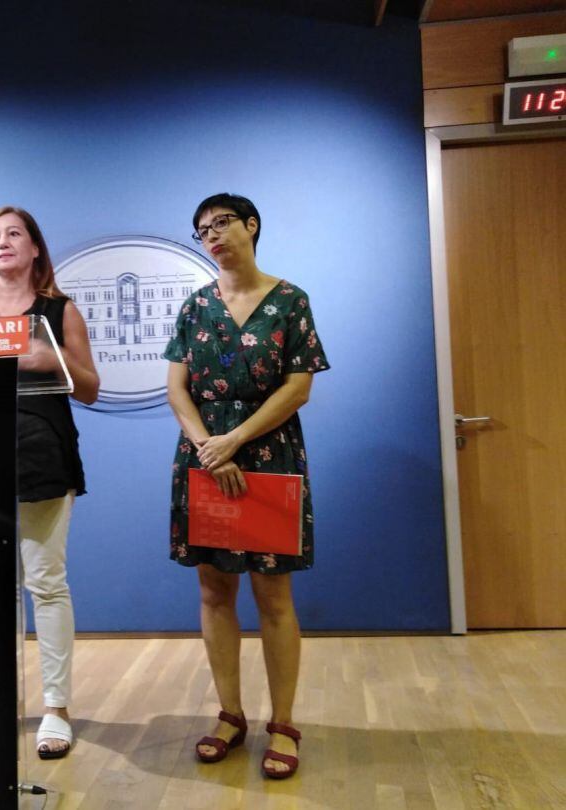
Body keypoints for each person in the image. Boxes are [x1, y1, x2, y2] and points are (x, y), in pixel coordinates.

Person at [164, 193, 329, 779]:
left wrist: (233, 442)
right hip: (204, 456)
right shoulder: (195, 307)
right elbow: (177, 390)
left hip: (268, 452)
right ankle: (230, 713)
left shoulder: (290, 300)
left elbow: (298, 388)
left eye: (221, 223)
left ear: (251, 226)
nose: (211, 234)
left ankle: (283, 722)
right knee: (213, 592)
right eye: (201, 229)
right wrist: (210, 447)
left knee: (274, 595)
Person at [0, 205, 99, 759]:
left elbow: (90, 389)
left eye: (15, 234)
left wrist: (44, 359)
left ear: (35, 248)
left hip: (43, 455)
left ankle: (56, 708)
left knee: (45, 583)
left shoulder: (60, 311)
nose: (3, 242)